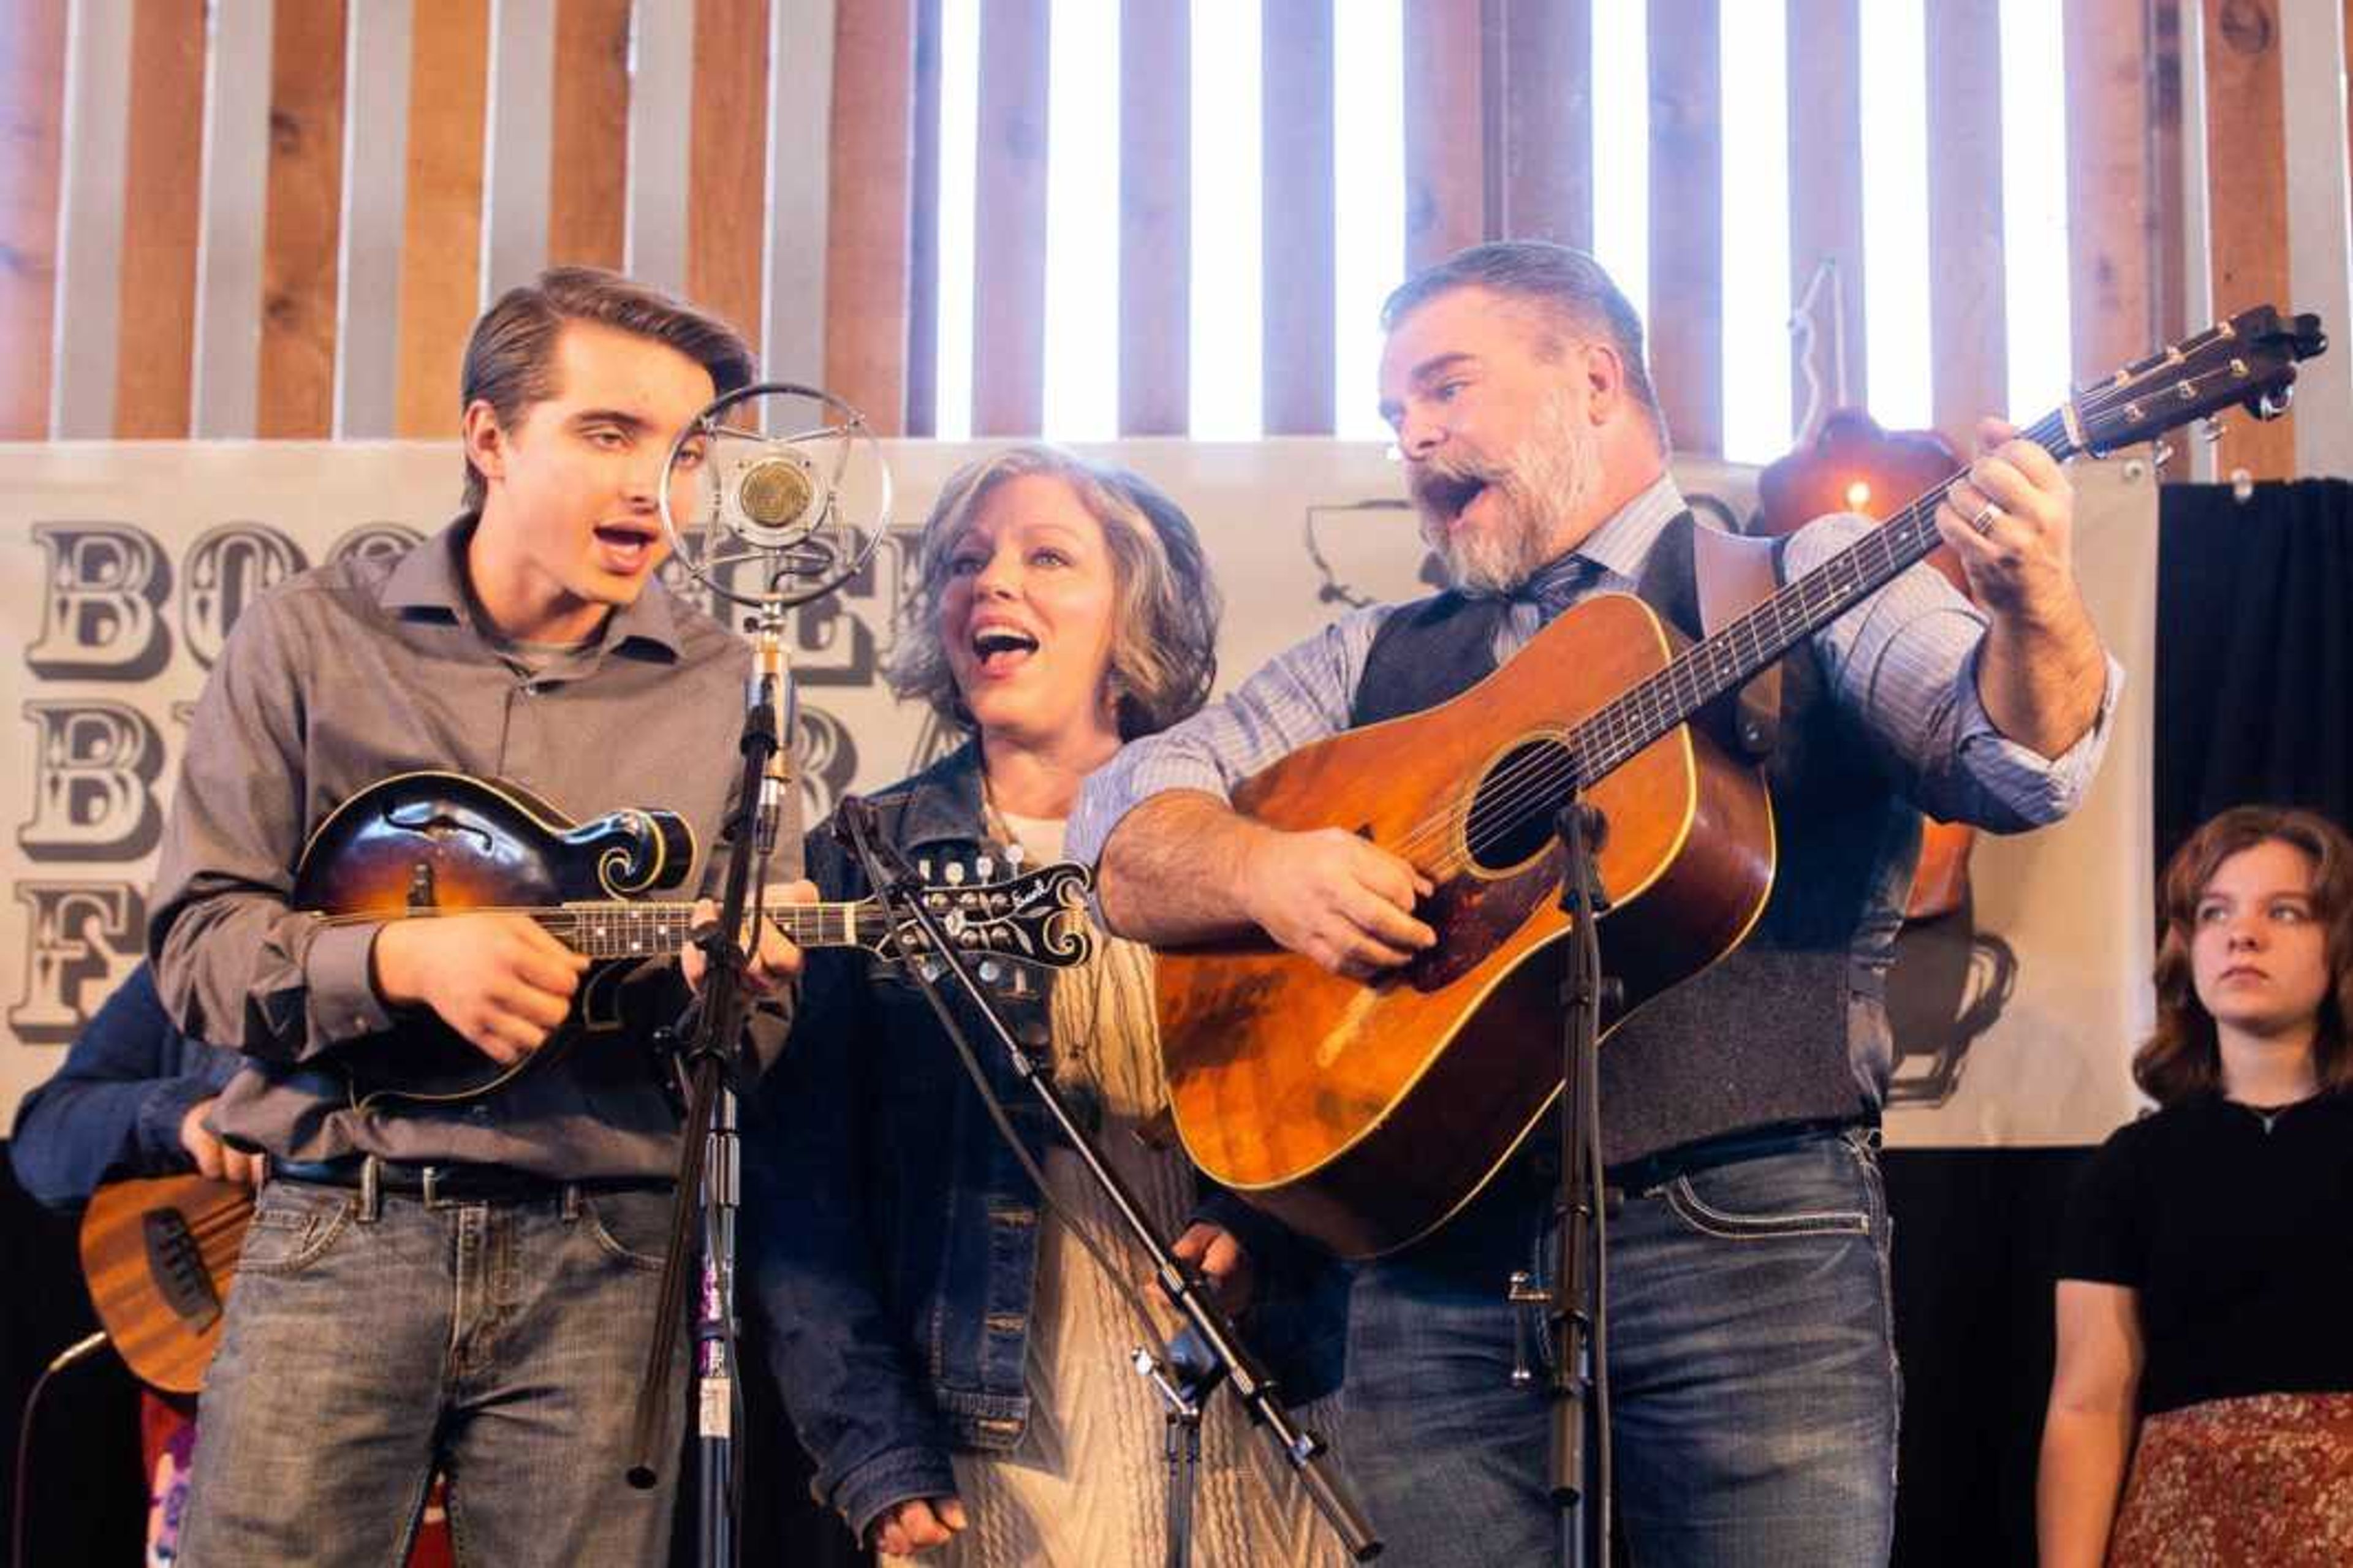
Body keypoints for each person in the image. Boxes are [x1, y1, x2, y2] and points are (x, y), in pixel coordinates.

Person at [1069, 240, 2120, 1565]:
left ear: (1597, 379)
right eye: (1397, 414)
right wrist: (1270, 870)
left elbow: (2017, 758)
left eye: (1446, 389)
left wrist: (2036, 608)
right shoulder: (1371, 655)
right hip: (1431, 1264)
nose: (1416, 438)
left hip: (1750, 1241)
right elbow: (1118, 820)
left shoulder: (1799, 573)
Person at [146, 266, 809, 1567]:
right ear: (489, 438)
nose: (649, 488)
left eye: (684, 453)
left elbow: (759, 1045)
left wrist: (724, 985)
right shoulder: (312, 642)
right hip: (346, 1221)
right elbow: (196, 949)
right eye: (607, 434)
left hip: (608, 1259)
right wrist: (396, 957)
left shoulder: (734, 690)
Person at [745, 445, 1344, 1567]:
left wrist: (1261, 1244)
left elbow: (1341, 1119)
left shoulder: (1258, 835)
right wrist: (873, 1449)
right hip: (995, 1441)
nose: (992, 584)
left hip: (1251, 1405)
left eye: (1047, 556)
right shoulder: (861, 860)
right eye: (965, 562)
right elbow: (803, 1197)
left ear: (1137, 614)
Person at [2039, 805, 2353, 1567]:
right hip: (2181, 1531)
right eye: (2215, 913)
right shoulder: (2132, 1166)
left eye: (2286, 911)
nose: (2242, 934)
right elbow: (2087, 1404)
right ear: (2187, 947)